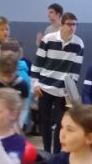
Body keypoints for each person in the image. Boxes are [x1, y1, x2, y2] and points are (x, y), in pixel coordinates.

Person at [32, 12, 84, 153]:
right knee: (45, 122)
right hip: (44, 87)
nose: (72, 27)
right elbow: (38, 62)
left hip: (63, 91)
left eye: (75, 24)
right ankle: (47, 152)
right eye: (69, 24)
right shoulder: (48, 39)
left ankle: (56, 155)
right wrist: (35, 83)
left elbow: (75, 71)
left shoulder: (79, 43)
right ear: (62, 24)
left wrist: (70, 92)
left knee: (61, 123)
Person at [0, 51, 29, 128]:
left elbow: (23, 108)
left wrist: (19, 124)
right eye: (3, 74)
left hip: (14, 126)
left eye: (9, 75)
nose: (6, 79)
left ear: (15, 70)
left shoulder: (22, 85)